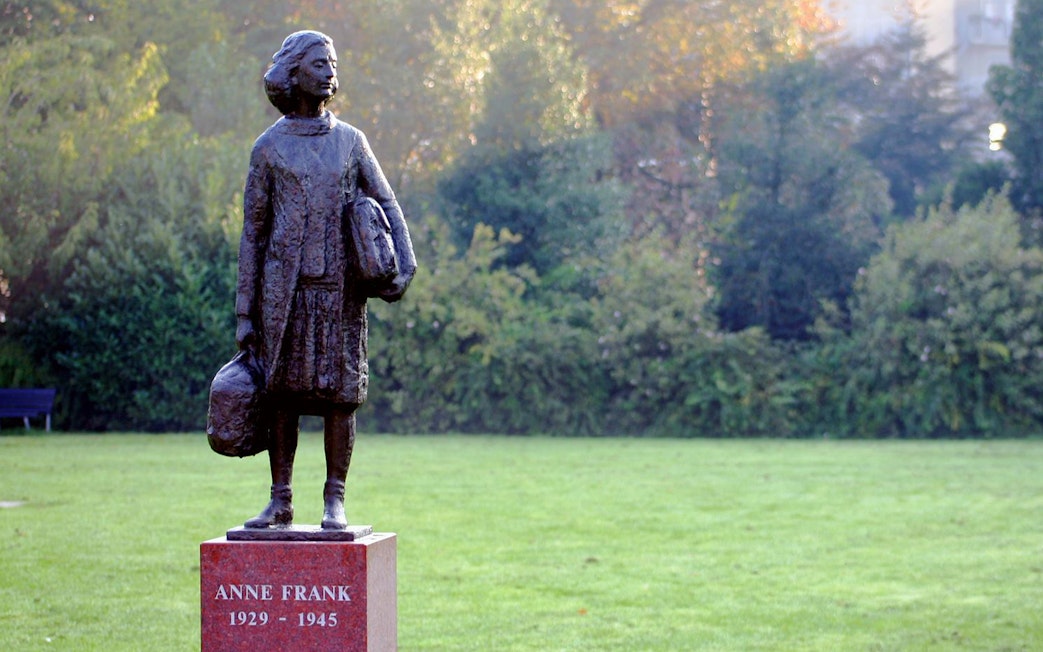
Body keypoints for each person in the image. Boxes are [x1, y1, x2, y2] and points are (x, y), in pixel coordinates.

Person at [236, 30, 415, 530]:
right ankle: (281, 498)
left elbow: (389, 204)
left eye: (333, 63)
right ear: (295, 74)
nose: (331, 72)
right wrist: (245, 312)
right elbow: (252, 233)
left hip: (340, 295)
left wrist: (404, 263)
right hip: (282, 296)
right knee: (281, 396)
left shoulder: (351, 142)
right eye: (320, 64)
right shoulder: (268, 149)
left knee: (340, 397)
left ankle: (335, 499)